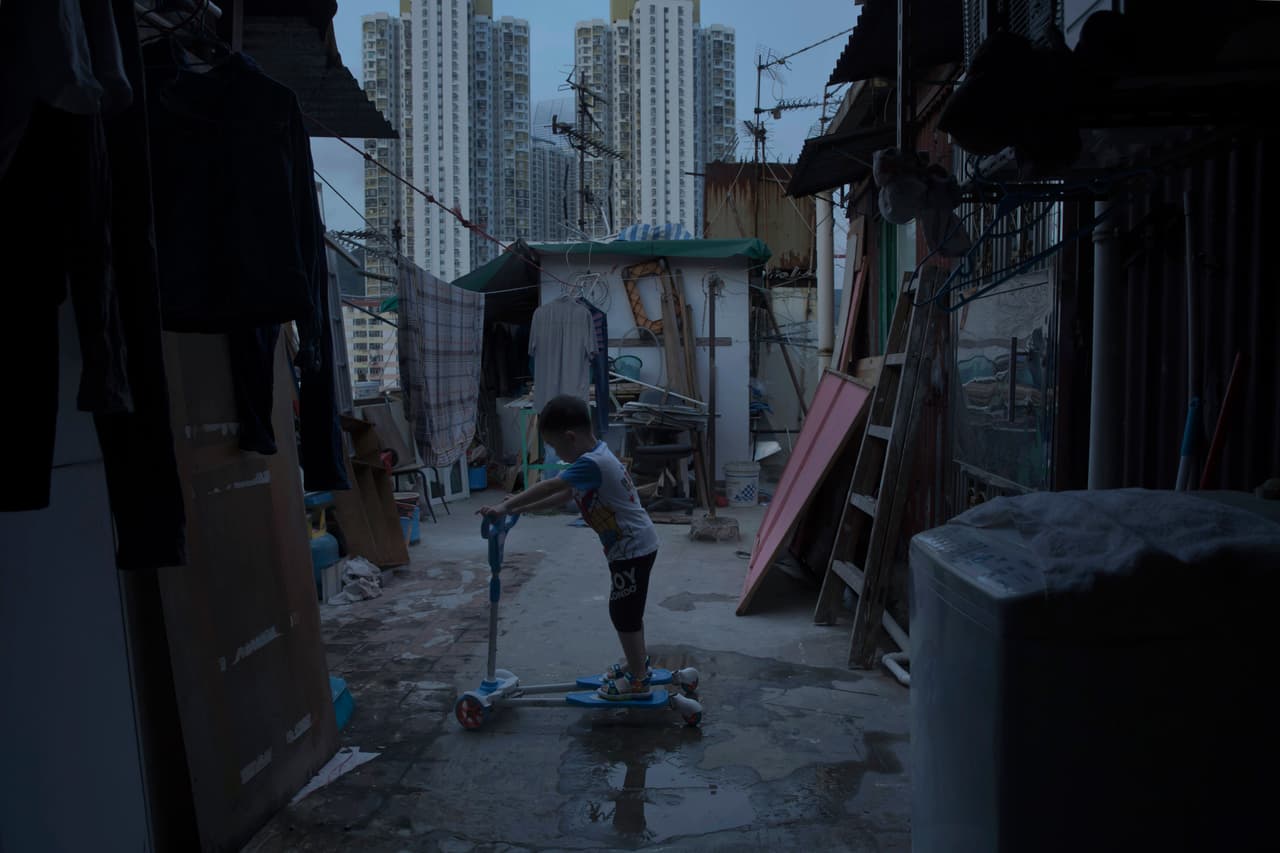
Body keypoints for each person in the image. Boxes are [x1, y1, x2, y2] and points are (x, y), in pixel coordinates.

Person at [478, 394, 660, 700]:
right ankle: (636, 665)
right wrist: (518, 511)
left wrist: (505, 505)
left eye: (556, 447)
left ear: (570, 437)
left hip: (632, 550)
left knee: (624, 613)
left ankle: (639, 677)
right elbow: (565, 496)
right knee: (628, 610)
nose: (557, 454)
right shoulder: (597, 456)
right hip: (634, 547)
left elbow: (552, 485)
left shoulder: (592, 463)